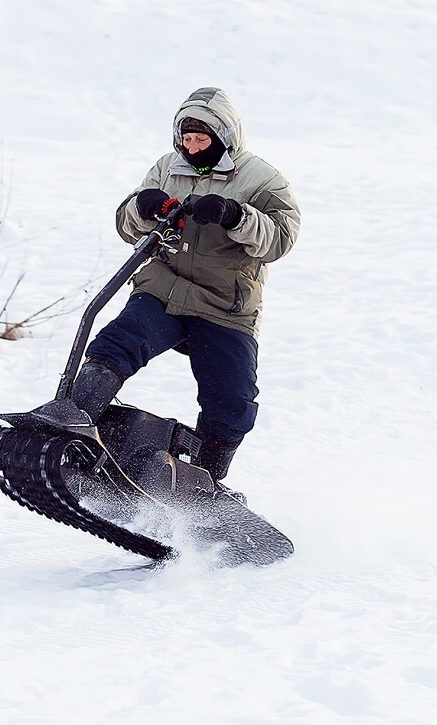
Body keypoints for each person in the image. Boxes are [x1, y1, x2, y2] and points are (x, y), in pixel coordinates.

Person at [68, 87, 301, 482]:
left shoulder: (263, 179)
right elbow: (127, 225)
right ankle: (72, 426)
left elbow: (281, 238)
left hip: (225, 302)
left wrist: (235, 215)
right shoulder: (166, 168)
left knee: (232, 402)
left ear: (224, 137)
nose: (192, 148)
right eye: (186, 139)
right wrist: (142, 209)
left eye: (201, 139)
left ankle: (203, 484)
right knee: (117, 342)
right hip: (164, 287)